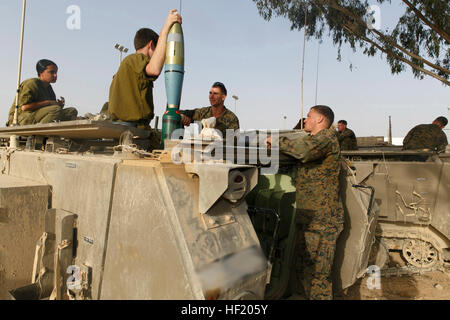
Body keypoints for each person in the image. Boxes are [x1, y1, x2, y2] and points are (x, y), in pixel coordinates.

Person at [266, 105, 344, 300]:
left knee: (318, 276)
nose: (305, 120)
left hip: (323, 219)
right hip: (309, 216)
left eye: (309, 116)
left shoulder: (326, 138)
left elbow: (303, 152)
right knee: (303, 270)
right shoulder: (312, 140)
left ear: (320, 119)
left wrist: (276, 141)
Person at [108, 9, 182, 129]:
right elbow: (154, 70)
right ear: (150, 45)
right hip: (132, 130)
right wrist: (165, 29)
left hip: (129, 128)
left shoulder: (129, 67)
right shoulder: (135, 59)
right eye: (158, 48)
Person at [7, 59, 78, 126]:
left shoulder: (49, 88)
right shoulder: (32, 83)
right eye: (51, 72)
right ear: (41, 72)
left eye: (56, 73)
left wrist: (59, 105)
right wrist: (49, 102)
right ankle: (39, 132)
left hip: (38, 116)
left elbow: (51, 109)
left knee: (72, 111)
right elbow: (24, 107)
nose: (55, 75)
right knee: (55, 110)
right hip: (21, 118)